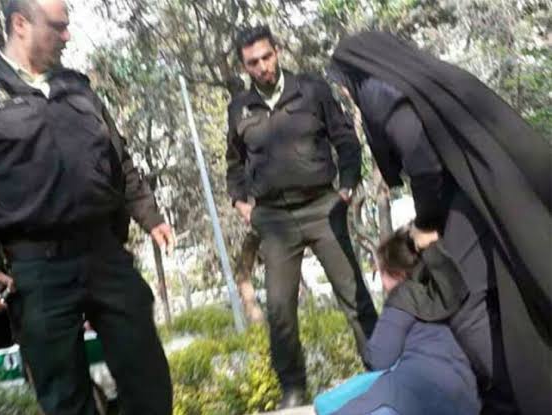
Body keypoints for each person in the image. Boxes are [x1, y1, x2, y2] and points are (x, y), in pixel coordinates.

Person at [0, 1, 174, 414]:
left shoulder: (77, 87)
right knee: (65, 399)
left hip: (104, 254)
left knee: (149, 379)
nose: (67, 36)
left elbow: (118, 160)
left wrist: (149, 216)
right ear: (20, 24)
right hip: (36, 268)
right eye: (58, 27)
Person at [329, 31, 551, 415]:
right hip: (480, 198)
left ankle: (509, 397)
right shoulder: (418, 81)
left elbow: (421, 157)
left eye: (344, 85)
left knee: (465, 305)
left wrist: (426, 222)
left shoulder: (378, 92)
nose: (347, 94)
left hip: (462, 205)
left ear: (355, 72)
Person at [225, 25, 377, 408]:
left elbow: (345, 138)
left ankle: (381, 369)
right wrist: (241, 203)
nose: (262, 67)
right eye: (253, 62)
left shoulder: (311, 89)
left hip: (322, 208)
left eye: (267, 56)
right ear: (244, 66)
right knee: (280, 310)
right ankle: (293, 391)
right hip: (274, 220)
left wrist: (347, 186)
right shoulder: (240, 108)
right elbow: (235, 164)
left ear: (277, 51)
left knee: (354, 296)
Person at [322, 228, 480, 415]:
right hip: (466, 402)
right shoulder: (445, 295)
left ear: (395, 273)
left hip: (411, 397)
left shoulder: (404, 297)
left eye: (380, 272)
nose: (381, 283)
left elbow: (379, 359)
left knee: (327, 404)